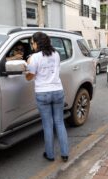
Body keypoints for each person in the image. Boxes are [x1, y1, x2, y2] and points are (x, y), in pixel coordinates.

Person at [24, 32, 69, 162]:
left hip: (43, 93)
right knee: (60, 122)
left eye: (32, 42)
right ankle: (65, 153)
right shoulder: (56, 54)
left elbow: (29, 77)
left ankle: (50, 155)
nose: (32, 45)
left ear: (37, 43)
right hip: (57, 91)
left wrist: (27, 66)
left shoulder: (34, 58)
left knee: (48, 125)